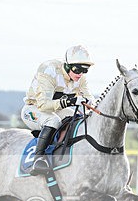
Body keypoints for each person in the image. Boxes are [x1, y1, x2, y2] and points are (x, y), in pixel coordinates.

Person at [20, 44, 96, 175]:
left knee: (78, 118)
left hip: (58, 109)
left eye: (85, 70)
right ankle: (38, 160)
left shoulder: (80, 78)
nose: (81, 74)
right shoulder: (49, 71)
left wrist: (89, 104)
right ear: (67, 65)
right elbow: (43, 105)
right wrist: (69, 101)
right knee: (53, 121)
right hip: (33, 108)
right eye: (77, 70)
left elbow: (90, 101)